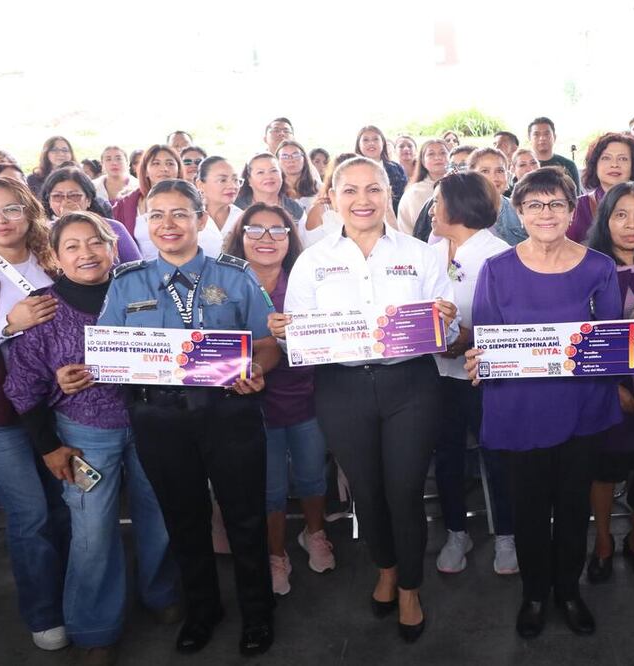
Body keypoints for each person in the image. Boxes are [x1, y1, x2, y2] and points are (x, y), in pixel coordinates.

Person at [463, 166, 634, 639]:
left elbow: (611, 336)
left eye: (555, 205)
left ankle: (568, 590)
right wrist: (478, 360)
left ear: (572, 212)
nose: (545, 213)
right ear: (519, 212)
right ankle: (534, 594)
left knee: (573, 508)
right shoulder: (496, 269)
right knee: (528, 510)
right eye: (534, 205)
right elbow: (488, 340)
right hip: (519, 410)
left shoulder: (597, 267)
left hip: (581, 408)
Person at [272, 157, 458, 643]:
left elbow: (447, 331)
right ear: (331, 197)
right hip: (342, 387)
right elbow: (300, 339)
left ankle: (412, 587)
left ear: (387, 195)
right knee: (367, 491)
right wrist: (287, 334)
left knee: (404, 490)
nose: (362, 199)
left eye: (373, 189)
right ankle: (386, 568)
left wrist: (446, 318)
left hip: (411, 386)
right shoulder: (311, 260)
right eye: (350, 190)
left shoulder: (421, 254)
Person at [97, 178, 280, 656]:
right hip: (159, 417)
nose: (168, 224)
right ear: (145, 224)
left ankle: (258, 612)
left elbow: (266, 344)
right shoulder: (126, 282)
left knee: (243, 517)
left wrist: (258, 368)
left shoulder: (236, 276)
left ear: (201, 219)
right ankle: (203, 610)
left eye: (180, 213)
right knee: (183, 518)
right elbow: (109, 350)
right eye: (157, 215)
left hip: (229, 411)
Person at [4, 211, 181, 664]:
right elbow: (22, 386)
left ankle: (160, 594)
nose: (86, 253)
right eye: (72, 246)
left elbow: (179, 350)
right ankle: (95, 627)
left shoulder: (145, 292)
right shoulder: (44, 308)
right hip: (84, 436)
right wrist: (49, 445)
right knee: (92, 532)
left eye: (95, 242)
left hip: (150, 423)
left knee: (159, 515)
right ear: (57, 257)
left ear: (114, 247)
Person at [221, 204, 333, 596]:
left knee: (312, 474)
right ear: (240, 237)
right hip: (250, 406)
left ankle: (315, 533)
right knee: (268, 487)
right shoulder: (225, 284)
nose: (266, 239)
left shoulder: (308, 279)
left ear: (291, 238)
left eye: (277, 231)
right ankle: (275, 554)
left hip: (306, 395)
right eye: (255, 230)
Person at [0, 176, 69, 652]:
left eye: (11, 209)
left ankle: (72, 593)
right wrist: (7, 324)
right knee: (30, 514)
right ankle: (44, 611)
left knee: (62, 507)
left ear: (30, 213)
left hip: (58, 407)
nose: (1, 220)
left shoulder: (53, 262)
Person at [426, 171, 518, 576]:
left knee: (496, 454)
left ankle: (506, 535)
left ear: (458, 206)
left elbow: (513, 324)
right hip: (437, 375)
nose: (431, 210)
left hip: (486, 375)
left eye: (437, 202)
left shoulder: (500, 255)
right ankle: (456, 531)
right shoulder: (428, 251)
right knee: (446, 455)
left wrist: (469, 338)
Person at [584, 181, 634, 584]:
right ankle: (602, 543)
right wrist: (611, 386)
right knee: (603, 469)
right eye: (620, 215)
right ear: (606, 220)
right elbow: (584, 334)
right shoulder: (586, 266)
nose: (631, 225)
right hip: (605, 390)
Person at [39, 166, 141, 263]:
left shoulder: (113, 227)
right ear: (49, 201)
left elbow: (137, 268)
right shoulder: (43, 233)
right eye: (57, 196)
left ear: (88, 200)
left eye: (74, 196)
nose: (66, 202)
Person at [570, 133, 634, 242]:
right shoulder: (577, 208)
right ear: (594, 164)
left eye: (623, 159)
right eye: (606, 158)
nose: (614, 164)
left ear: (633, 165)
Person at [112, 144, 181, 241]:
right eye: (156, 163)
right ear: (145, 171)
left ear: (178, 169)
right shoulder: (125, 205)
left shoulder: (192, 200)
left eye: (170, 163)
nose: (164, 169)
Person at [397, 139, 449, 234]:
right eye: (431, 154)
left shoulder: (459, 187)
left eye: (443, 153)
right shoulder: (414, 193)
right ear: (422, 161)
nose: (438, 157)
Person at [235, 153, 305, 222]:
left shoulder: (295, 209)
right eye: (260, 172)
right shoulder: (236, 207)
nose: (268, 176)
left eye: (274, 170)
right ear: (249, 180)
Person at [194, 156, 244, 253]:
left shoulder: (243, 219)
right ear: (200, 185)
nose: (232, 186)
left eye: (235, 180)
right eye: (222, 180)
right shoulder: (190, 218)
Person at [355, 126, 408, 212]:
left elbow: (404, 199)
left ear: (383, 143)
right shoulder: (351, 171)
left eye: (375, 139)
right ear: (358, 144)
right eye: (366, 140)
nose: (371, 143)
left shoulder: (396, 168)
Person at [527, 117, 581, 194]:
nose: (542, 138)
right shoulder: (524, 166)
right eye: (536, 134)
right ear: (529, 138)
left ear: (554, 137)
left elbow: (576, 198)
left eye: (546, 134)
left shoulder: (568, 165)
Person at [275, 140, 320, 209]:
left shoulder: (319, 187)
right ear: (277, 161)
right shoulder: (273, 188)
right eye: (284, 156)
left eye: (295, 155)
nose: (290, 160)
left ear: (304, 159)